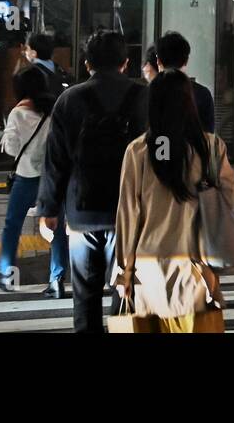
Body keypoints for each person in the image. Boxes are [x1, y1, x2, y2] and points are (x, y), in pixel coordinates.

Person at [39, 30, 148, 333]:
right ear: (125, 62)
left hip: (82, 213)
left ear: (87, 63)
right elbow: (158, 156)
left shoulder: (69, 99)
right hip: (130, 214)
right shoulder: (144, 97)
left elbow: (55, 161)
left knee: (85, 295)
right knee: (127, 292)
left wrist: (48, 209)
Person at [114, 69, 234, 333]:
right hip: (196, 269)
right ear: (189, 104)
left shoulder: (137, 151)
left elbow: (128, 214)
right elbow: (230, 196)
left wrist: (124, 269)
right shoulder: (211, 148)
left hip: (149, 270)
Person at [0, 65, 69, 298]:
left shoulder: (18, 113)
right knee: (57, 227)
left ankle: (8, 275)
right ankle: (57, 280)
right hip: (52, 178)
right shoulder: (54, 109)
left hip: (26, 177)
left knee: (12, 226)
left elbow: (10, 147)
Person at [155, 32, 215, 133]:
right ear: (186, 61)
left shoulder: (148, 94)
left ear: (158, 60)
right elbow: (208, 136)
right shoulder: (202, 94)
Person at [26, 32, 72, 97]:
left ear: (33, 53)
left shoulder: (31, 72)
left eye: (27, 49)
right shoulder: (58, 68)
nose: (25, 52)